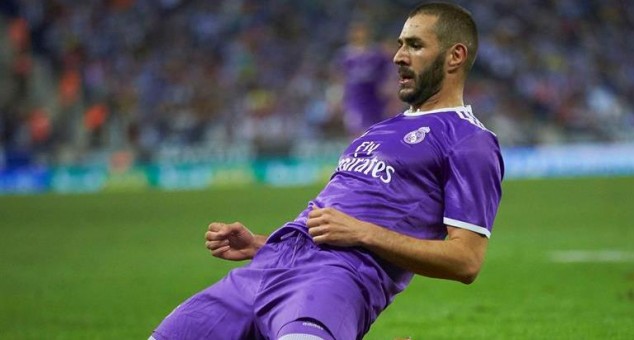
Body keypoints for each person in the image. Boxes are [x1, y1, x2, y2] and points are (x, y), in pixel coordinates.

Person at [151, 2, 504, 339]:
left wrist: (363, 232)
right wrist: (261, 244)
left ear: (455, 56)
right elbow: (332, 224)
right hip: (265, 270)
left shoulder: (468, 140)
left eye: (414, 45)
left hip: (331, 284)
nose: (398, 57)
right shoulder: (376, 131)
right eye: (400, 45)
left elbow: (466, 260)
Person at [336, 20, 394, 137]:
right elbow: (340, 78)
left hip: (375, 100)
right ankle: (357, 154)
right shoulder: (346, 56)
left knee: (377, 131)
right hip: (355, 101)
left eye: (362, 31)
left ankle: (375, 154)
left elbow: (389, 74)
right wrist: (339, 99)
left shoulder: (377, 54)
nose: (360, 35)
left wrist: (390, 94)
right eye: (357, 32)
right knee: (356, 131)